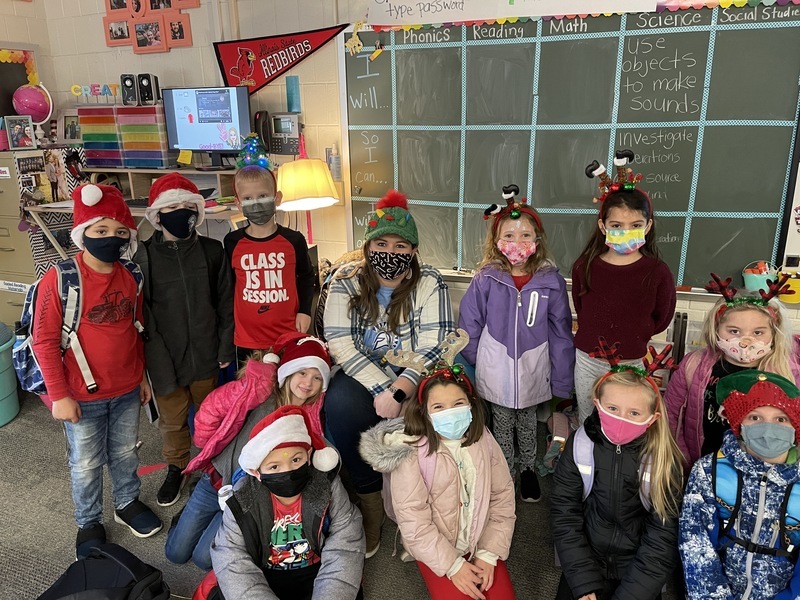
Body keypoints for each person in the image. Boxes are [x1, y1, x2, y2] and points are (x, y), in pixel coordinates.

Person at [31, 183, 161, 559]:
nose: (111, 238)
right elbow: (44, 341)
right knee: (86, 463)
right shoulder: (61, 278)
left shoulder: (132, 274)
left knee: (125, 452)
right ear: (82, 232)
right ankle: (88, 521)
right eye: (100, 230)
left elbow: (136, 329)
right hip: (80, 394)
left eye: (120, 231)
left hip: (126, 388)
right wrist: (59, 395)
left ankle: (126, 502)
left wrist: (141, 377)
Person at [323, 189, 454, 558]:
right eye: (381, 243)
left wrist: (401, 389)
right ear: (368, 246)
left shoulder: (430, 281)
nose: (390, 252)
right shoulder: (345, 280)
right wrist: (384, 389)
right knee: (341, 404)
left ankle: (420, 502)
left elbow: (435, 342)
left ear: (413, 250)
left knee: (440, 406)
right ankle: (370, 500)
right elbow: (341, 344)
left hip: (415, 370)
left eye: (400, 245)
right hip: (363, 371)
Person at [165, 332, 331, 570]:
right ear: (288, 370)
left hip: (246, 495)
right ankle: (188, 518)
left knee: (204, 559)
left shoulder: (311, 417)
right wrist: (207, 444)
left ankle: (216, 522)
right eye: (302, 372)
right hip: (216, 478)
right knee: (175, 554)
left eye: (317, 377)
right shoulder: (260, 391)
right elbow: (211, 409)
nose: (308, 383)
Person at [359, 357, 516, 600]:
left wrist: (488, 553)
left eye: (458, 403)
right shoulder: (411, 452)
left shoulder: (484, 438)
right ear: (425, 411)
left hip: (480, 539)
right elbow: (413, 519)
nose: (450, 412)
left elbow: (502, 496)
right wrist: (453, 566)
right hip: (436, 548)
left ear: (471, 404)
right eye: (439, 407)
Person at [459, 184, 574, 503]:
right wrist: (481, 359)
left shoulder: (551, 282)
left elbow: (561, 332)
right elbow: (469, 323)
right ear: (497, 241)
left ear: (537, 240)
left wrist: (562, 378)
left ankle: (527, 470)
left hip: (533, 369)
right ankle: (505, 473)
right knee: (501, 423)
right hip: (495, 368)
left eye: (525, 235)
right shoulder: (486, 278)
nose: (517, 243)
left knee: (527, 422)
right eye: (509, 235)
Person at [551, 342, 684, 600]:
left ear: (653, 418)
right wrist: (583, 583)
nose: (621, 418)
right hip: (586, 562)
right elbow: (564, 514)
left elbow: (663, 535)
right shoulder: (580, 446)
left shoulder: (663, 460)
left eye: (634, 413)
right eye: (612, 409)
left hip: (637, 571)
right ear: (597, 405)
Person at [133, 173, 234, 508]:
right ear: (157, 214)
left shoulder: (212, 251)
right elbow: (142, 314)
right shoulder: (144, 257)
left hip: (206, 352)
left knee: (211, 416)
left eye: (187, 207)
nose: (181, 213)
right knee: (173, 421)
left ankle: (212, 464)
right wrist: (150, 360)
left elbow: (225, 302)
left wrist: (224, 345)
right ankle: (176, 467)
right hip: (165, 356)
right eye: (172, 207)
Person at [210, 405, 365, 600]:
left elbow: (346, 540)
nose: (288, 472)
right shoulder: (243, 498)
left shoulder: (326, 486)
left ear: (309, 456)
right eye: (274, 467)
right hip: (265, 571)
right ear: (256, 472)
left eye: (296, 460)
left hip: (318, 569)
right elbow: (230, 555)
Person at [572, 150, 676, 424]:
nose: (626, 231)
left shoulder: (657, 272)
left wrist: (634, 334)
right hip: (588, 360)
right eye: (617, 225)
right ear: (603, 226)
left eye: (635, 225)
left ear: (648, 226)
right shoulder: (585, 266)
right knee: (588, 418)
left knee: (624, 421)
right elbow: (581, 307)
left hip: (631, 361)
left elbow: (661, 317)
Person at [680, 370, 800, 599]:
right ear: (739, 425)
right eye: (754, 417)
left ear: (795, 429)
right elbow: (696, 544)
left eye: (781, 419)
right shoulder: (710, 471)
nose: (768, 427)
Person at [665, 273, 799, 467]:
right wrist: (682, 459)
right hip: (702, 465)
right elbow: (671, 415)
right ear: (716, 329)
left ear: (774, 333)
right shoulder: (693, 365)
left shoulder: (788, 372)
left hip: (761, 473)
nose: (745, 340)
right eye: (734, 331)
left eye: (758, 332)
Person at [224, 165, 315, 366]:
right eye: (248, 198)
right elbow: (228, 288)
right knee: (251, 386)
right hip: (247, 339)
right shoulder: (232, 242)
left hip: (288, 335)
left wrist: (305, 310)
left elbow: (307, 276)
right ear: (238, 204)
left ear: (277, 198)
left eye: (263, 195)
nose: (256, 203)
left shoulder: (294, 240)